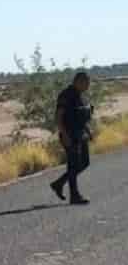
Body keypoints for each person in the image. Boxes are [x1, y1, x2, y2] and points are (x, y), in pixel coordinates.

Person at [51, 71, 93, 205]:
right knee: (73, 165)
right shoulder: (66, 95)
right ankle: (74, 196)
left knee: (84, 163)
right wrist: (64, 135)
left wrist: (88, 130)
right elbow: (58, 117)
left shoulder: (80, 96)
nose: (88, 86)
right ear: (78, 81)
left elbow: (81, 115)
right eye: (86, 83)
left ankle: (59, 183)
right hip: (69, 134)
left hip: (81, 134)